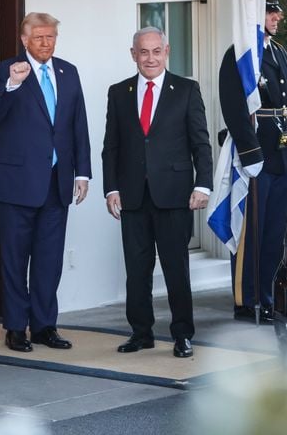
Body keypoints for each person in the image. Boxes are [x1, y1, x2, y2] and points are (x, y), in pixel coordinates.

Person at [0, 12, 91, 352]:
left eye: (51, 37)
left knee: (49, 260)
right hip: (16, 184)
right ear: (24, 39)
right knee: (15, 260)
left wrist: (83, 172)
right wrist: (12, 84)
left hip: (57, 182)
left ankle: (45, 325)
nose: (46, 43)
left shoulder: (67, 71)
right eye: (40, 37)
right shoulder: (6, 71)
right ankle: (16, 327)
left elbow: (78, 126)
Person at [102, 27, 213, 358]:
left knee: (176, 268)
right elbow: (112, 147)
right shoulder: (119, 92)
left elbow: (200, 143)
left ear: (167, 51)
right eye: (143, 52)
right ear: (133, 54)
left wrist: (202, 184)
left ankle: (182, 334)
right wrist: (111, 189)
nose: (150, 58)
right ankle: (141, 333)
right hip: (133, 195)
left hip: (175, 194)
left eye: (156, 51)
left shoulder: (187, 90)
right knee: (137, 270)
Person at [218, 0, 287, 323]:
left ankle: (268, 294)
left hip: (280, 153)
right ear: (254, 16)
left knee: (274, 231)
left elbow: (286, 104)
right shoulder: (240, 56)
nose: (277, 17)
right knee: (250, 233)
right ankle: (246, 300)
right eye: (270, 11)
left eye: (276, 11)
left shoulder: (279, 52)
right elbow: (234, 108)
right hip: (256, 153)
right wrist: (250, 153)